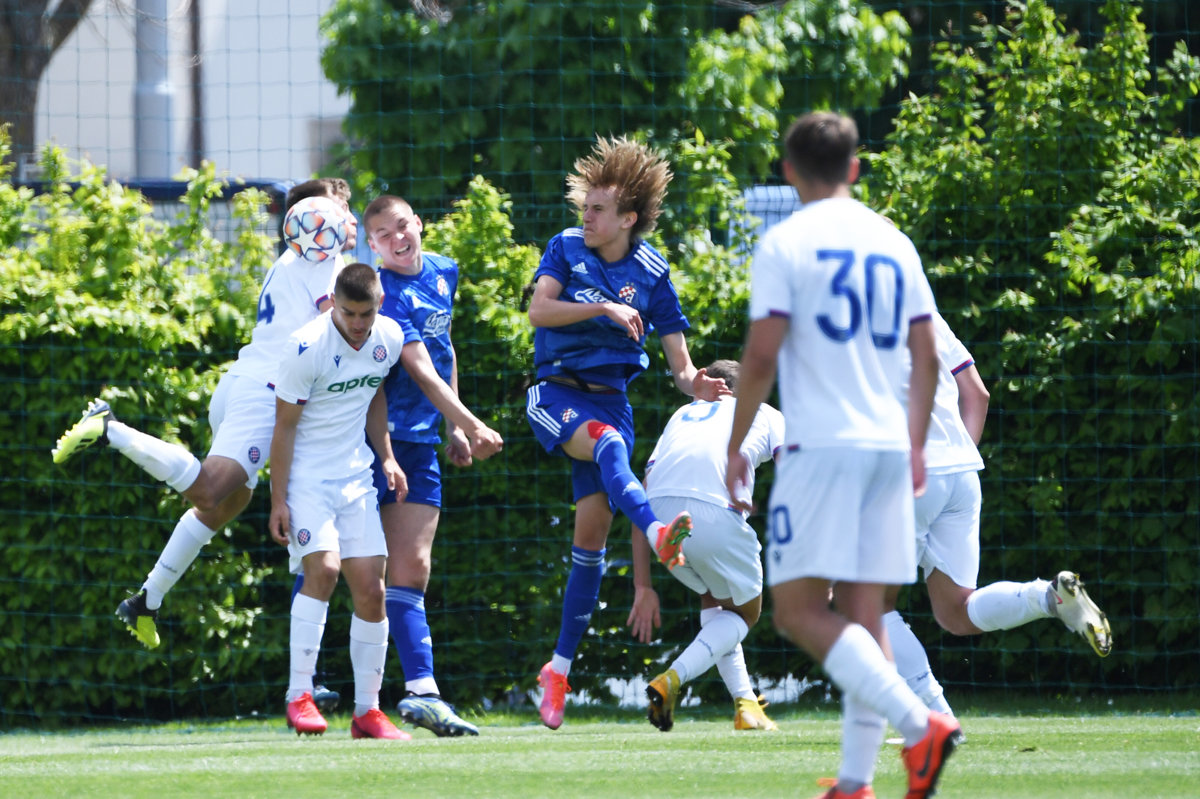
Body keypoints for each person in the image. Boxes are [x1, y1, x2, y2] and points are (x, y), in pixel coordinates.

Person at [724, 111, 959, 799]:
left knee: (798, 609)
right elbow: (926, 357)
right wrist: (915, 442)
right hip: (890, 444)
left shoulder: (786, 241)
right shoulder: (894, 242)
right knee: (864, 612)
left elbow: (762, 353)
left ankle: (920, 726)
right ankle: (857, 781)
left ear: (789, 170)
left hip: (822, 445)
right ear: (855, 168)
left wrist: (737, 442)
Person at [51, 177, 358, 652]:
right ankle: (111, 428)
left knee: (227, 502)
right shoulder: (321, 261)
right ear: (312, 220)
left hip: (248, 383)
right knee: (211, 488)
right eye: (339, 208)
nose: (347, 218)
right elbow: (342, 332)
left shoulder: (305, 257)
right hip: (264, 394)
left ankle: (146, 601)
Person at [525, 134, 730, 730]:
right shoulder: (564, 249)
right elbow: (539, 311)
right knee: (611, 448)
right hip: (557, 393)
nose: (584, 217)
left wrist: (702, 387)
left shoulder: (651, 272)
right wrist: (603, 309)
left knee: (589, 545)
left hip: (613, 401)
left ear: (628, 218)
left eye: (597, 210)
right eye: (583, 207)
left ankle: (557, 671)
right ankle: (660, 532)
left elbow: (682, 368)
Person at [883, 312, 1112, 720]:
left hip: (908, 473)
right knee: (955, 610)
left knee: (865, 603)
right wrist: (955, 460)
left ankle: (938, 720)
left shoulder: (842, 316)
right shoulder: (925, 313)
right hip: (962, 473)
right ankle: (1049, 597)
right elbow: (978, 394)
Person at [355, 193, 503, 737]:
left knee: (412, 569)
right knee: (354, 572)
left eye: (402, 227)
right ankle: (318, 692)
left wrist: (454, 430)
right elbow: (418, 370)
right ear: (371, 246)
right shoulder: (383, 293)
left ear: (418, 224)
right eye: (384, 236)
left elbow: (444, 350)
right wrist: (474, 423)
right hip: (368, 442)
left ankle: (421, 693)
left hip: (419, 443)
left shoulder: (443, 270)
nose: (398, 239)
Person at [269, 262, 414, 739]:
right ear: (333, 302)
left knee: (373, 590)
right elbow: (284, 427)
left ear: (379, 306)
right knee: (325, 571)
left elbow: (372, 393)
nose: (357, 323)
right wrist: (278, 500)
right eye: (349, 312)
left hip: (356, 479)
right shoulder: (305, 347)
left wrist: (387, 457)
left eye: (365, 313)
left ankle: (367, 713)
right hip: (308, 479)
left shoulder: (387, 337)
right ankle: (298, 696)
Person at [625, 359, 785, 733]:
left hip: (659, 517)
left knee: (715, 599)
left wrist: (642, 585)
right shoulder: (762, 411)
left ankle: (746, 706)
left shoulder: (682, 414)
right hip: (716, 510)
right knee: (745, 614)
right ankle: (672, 679)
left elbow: (640, 496)